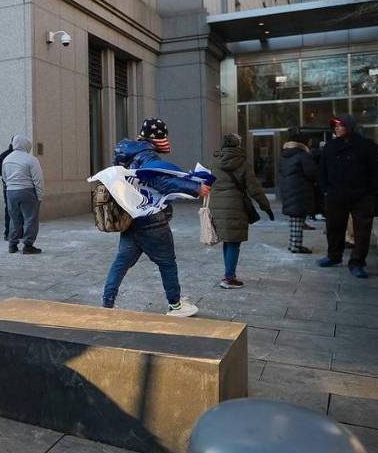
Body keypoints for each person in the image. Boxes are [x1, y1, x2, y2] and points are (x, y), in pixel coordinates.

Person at [102, 118, 211, 316]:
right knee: (167, 263)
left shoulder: (128, 154)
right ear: (157, 137)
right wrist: (195, 187)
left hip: (131, 219)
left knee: (121, 262)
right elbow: (161, 182)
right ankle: (176, 305)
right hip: (152, 219)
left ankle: (107, 302)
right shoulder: (148, 156)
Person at [319, 115, 378, 278]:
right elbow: (322, 169)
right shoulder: (330, 146)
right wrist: (325, 189)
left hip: (361, 195)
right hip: (335, 195)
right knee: (334, 228)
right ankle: (334, 255)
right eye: (335, 126)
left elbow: (376, 172)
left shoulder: (366, 146)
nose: (337, 128)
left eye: (341, 125)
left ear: (350, 127)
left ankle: (357, 262)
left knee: (362, 232)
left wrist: (372, 193)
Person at [209, 133, 273, 288]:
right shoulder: (242, 162)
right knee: (234, 242)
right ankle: (229, 278)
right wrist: (266, 206)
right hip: (235, 206)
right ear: (238, 144)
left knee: (228, 240)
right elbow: (254, 189)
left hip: (217, 205)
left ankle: (228, 275)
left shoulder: (214, 161)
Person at [1, 135, 44, 254]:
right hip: (27, 191)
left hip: (11, 192)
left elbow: (4, 177)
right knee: (30, 218)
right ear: (26, 145)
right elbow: (38, 179)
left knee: (14, 218)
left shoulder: (7, 159)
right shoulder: (31, 159)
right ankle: (28, 245)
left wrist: (11, 185)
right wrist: (39, 195)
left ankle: (12, 244)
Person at [279, 130, 319, 254]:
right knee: (297, 217)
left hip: (289, 188)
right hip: (299, 189)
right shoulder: (302, 155)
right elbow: (311, 173)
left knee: (295, 219)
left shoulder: (285, 155)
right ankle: (296, 246)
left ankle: (294, 244)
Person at [0, 141, 14, 240]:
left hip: (6, 185)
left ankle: (8, 233)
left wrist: (6, 178)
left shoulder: (3, 155)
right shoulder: (19, 156)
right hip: (17, 186)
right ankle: (18, 232)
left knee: (8, 209)